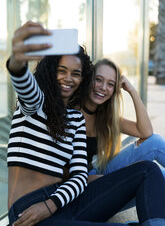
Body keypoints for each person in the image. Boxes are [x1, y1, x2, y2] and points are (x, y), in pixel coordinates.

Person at [7, 23, 165, 226]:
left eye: (76, 73)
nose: (68, 78)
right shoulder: (36, 104)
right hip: (26, 211)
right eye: (61, 71)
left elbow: (80, 175)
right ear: (49, 71)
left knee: (149, 170)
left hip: (61, 202)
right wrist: (17, 61)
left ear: (83, 79)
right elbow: (22, 81)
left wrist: (51, 204)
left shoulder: (75, 119)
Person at [70, 58, 165, 179]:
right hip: (85, 179)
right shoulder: (70, 113)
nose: (103, 87)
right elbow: (56, 168)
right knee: (153, 156)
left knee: (157, 159)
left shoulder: (105, 116)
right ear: (88, 79)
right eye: (98, 80)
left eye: (110, 84)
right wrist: (87, 179)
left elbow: (145, 132)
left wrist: (132, 91)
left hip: (98, 169)